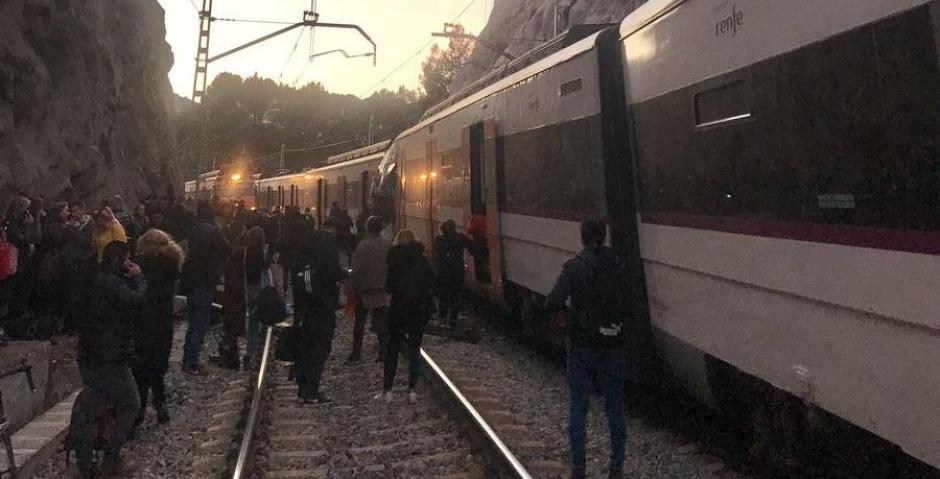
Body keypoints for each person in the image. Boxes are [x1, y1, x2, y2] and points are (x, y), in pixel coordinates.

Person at [547, 220, 628, 479]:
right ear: (603, 237)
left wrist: (565, 320)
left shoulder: (574, 267)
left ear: (582, 238)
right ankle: (616, 467)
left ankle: (579, 469)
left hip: (582, 346)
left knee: (578, 407)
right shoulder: (619, 265)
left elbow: (553, 302)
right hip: (613, 342)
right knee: (615, 407)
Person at [71, 241, 146, 478]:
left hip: (89, 353)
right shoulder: (114, 284)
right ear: (121, 260)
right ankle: (110, 457)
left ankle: (85, 461)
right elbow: (137, 301)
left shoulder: (91, 280)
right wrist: (138, 278)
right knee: (130, 403)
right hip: (110, 355)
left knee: (91, 407)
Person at [376, 230, 435, 404]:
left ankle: (387, 391)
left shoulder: (394, 260)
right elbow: (432, 284)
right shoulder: (422, 261)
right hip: (418, 310)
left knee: (393, 349)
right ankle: (412, 391)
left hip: (398, 309)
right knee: (415, 349)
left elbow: (389, 287)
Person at [290, 217, 345, 404]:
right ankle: (311, 390)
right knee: (320, 347)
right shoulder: (328, 245)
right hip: (322, 306)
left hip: (305, 307)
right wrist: (344, 274)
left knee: (306, 347)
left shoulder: (304, 248)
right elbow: (332, 271)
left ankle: (303, 389)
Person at [133, 229, 183, 427]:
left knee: (141, 366)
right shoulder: (172, 265)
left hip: (143, 321)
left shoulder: (141, 266)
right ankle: (161, 403)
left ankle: (140, 409)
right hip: (163, 322)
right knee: (158, 365)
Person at [180, 201, 231, 375]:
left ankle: (187, 359)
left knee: (192, 323)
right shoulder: (213, 231)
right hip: (205, 282)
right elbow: (227, 250)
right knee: (200, 324)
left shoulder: (192, 231)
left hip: (191, 282)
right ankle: (192, 363)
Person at [346, 216, 391, 363]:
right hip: (382, 290)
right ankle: (384, 353)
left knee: (359, 323)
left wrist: (351, 288)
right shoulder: (388, 245)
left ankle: (356, 353)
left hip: (364, 290)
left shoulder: (363, 246)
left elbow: (357, 269)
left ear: (367, 228)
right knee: (381, 323)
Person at [1, 196, 41, 338]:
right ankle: (6, 326)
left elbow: (36, 239)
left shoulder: (21, 223)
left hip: (24, 264)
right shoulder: (10, 224)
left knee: (21, 297)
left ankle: (15, 327)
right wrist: (29, 225)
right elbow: (24, 239)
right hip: (12, 265)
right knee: (8, 296)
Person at [62, 201, 96, 335]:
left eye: (76, 211)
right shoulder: (71, 224)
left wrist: (75, 231)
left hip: (83, 265)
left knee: (80, 297)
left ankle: (79, 326)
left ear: (83, 210)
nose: (73, 214)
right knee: (70, 296)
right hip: (70, 264)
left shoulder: (91, 225)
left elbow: (90, 244)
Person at [433, 219, 474, 328]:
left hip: (443, 273)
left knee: (443, 296)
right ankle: (453, 320)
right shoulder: (460, 238)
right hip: (457, 272)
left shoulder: (438, 240)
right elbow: (472, 249)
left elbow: (437, 253)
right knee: (455, 297)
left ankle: (442, 318)